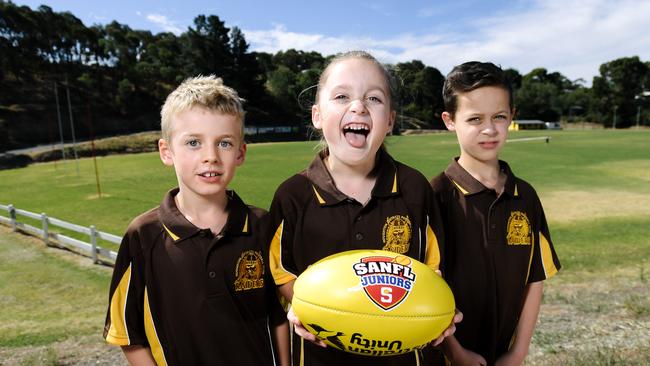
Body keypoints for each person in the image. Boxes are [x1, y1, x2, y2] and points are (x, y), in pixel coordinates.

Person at [268, 50, 458, 366]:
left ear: (390, 121)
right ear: (317, 116)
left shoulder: (414, 189)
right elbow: (282, 273)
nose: (358, 106)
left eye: (374, 99)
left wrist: (438, 309)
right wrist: (305, 305)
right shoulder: (292, 196)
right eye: (342, 96)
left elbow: (433, 270)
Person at [103, 76, 289, 366]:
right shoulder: (142, 236)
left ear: (241, 152)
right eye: (193, 143)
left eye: (224, 143)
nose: (210, 157)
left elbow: (278, 318)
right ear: (167, 151)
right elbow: (128, 334)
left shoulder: (263, 226)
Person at [430, 61, 561, 366]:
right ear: (450, 121)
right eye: (475, 119)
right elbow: (425, 286)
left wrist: (518, 352)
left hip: (503, 354)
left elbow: (535, 278)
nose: (489, 129)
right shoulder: (435, 195)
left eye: (499, 117)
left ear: (511, 117)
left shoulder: (525, 196)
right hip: (443, 356)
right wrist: (455, 351)